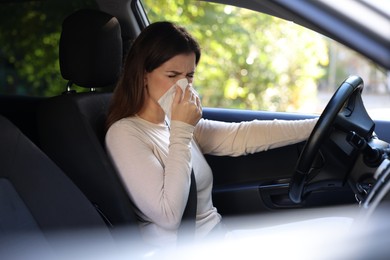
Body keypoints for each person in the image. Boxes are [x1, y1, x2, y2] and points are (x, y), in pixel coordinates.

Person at [105, 21, 318, 247]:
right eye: (172, 75)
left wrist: (317, 124)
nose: (183, 86)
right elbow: (168, 215)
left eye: (189, 76)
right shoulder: (125, 134)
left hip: (219, 237)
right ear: (144, 75)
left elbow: (240, 136)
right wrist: (181, 129)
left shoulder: (172, 121)